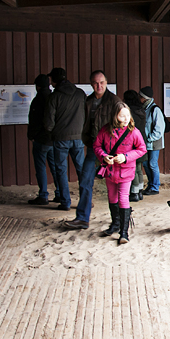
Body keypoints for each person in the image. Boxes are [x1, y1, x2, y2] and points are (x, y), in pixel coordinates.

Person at [63, 70, 119, 230]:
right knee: (85, 181)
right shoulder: (88, 101)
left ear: (106, 83)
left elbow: (123, 125)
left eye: (101, 82)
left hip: (110, 150)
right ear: (91, 84)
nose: (98, 86)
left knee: (114, 185)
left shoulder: (114, 101)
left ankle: (117, 221)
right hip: (94, 148)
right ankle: (82, 218)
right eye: (95, 83)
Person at [94, 100, 146, 243]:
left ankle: (124, 232)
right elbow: (97, 146)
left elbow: (142, 149)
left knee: (123, 198)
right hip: (110, 170)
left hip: (126, 171)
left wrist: (126, 157)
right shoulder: (105, 131)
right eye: (122, 116)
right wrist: (104, 157)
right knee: (112, 197)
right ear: (115, 116)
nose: (125, 119)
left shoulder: (134, 132)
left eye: (127, 116)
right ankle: (115, 224)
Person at [44, 67, 85, 212]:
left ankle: (65, 202)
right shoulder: (80, 93)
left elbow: (49, 123)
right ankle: (85, 201)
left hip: (60, 138)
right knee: (81, 170)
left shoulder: (54, 97)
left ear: (53, 80)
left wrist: (52, 132)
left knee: (61, 170)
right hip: (79, 137)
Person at [26, 74, 60, 205]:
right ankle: (59, 193)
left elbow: (34, 121)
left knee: (40, 167)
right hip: (53, 139)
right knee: (55, 168)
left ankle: (43, 195)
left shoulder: (38, 99)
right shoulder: (53, 98)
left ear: (37, 86)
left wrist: (31, 135)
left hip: (41, 139)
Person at [139, 86, 165, 195]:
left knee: (152, 163)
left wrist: (150, 138)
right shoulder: (145, 109)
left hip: (154, 142)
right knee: (145, 164)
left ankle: (155, 187)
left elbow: (160, 128)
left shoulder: (155, 110)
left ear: (144, 98)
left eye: (140, 96)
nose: (139, 98)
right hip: (146, 142)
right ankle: (150, 185)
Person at [122, 90, 147, 202]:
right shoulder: (141, 110)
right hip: (142, 141)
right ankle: (140, 191)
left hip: (133, 142)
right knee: (139, 169)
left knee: (134, 168)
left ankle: (134, 193)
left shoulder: (130, 112)